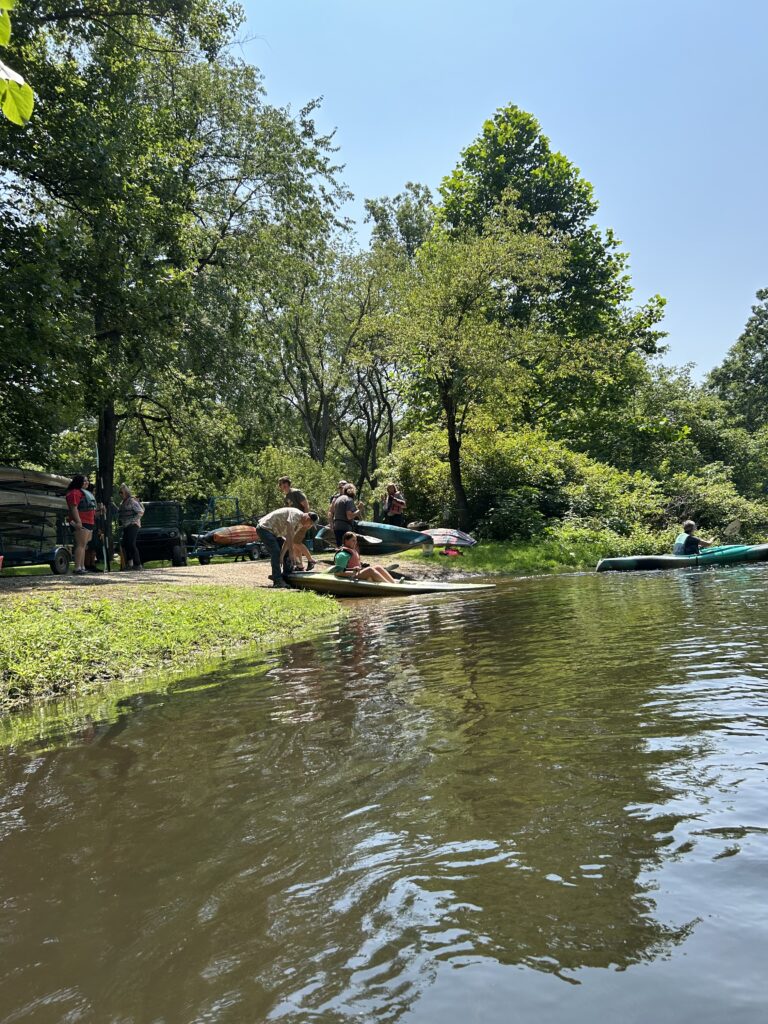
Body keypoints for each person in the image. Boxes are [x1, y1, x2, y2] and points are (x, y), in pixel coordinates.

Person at [257, 507, 319, 588]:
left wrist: (282, 555)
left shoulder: (300, 523)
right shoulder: (295, 515)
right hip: (264, 528)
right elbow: (289, 534)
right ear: (307, 519)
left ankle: (287, 575)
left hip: (274, 533)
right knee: (276, 552)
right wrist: (291, 552)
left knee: (285, 552)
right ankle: (277, 580)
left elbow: (289, 539)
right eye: (310, 524)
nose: (309, 527)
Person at [278, 476, 315, 570]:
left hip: (302, 522)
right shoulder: (286, 496)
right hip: (294, 523)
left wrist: (307, 521)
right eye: (281, 484)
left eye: (285, 483)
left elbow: (306, 505)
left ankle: (311, 560)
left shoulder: (296, 492)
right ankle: (300, 566)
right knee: (294, 545)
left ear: (288, 484)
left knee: (295, 542)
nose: (283, 485)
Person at [332, 532, 399, 584]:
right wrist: (352, 571)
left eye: (356, 540)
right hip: (351, 575)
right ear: (346, 541)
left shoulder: (351, 551)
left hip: (356, 573)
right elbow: (338, 572)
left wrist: (361, 565)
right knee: (370, 570)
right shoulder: (342, 555)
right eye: (353, 540)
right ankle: (388, 585)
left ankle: (393, 583)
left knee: (378, 567)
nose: (355, 543)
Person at [65, 473, 97, 575]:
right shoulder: (74, 493)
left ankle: (82, 567)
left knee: (84, 545)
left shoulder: (84, 493)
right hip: (81, 521)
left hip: (89, 521)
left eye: (87, 480)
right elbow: (74, 508)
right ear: (79, 482)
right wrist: (78, 521)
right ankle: (77, 567)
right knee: (80, 544)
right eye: (84, 481)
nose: (87, 482)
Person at [117, 483, 144, 570]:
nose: (120, 494)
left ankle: (138, 564)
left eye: (122, 492)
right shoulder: (122, 503)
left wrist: (133, 521)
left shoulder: (132, 501)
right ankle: (129, 563)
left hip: (133, 525)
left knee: (131, 544)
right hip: (125, 526)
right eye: (119, 492)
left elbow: (140, 512)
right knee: (125, 544)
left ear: (126, 492)